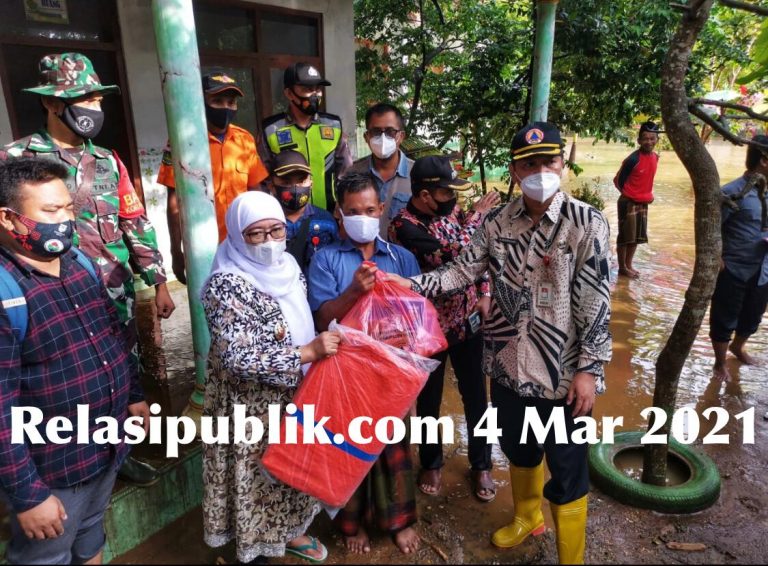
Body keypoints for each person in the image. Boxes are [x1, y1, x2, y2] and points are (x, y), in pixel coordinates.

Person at [391, 123, 612, 565]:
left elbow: (596, 301)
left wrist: (589, 369)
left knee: (568, 469)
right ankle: (528, 517)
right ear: (515, 170)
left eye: (549, 161)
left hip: (563, 374)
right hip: (509, 366)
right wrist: (407, 285)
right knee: (519, 448)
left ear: (562, 165)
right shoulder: (496, 222)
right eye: (530, 164)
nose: (541, 171)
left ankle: (571, 559)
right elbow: (461, 271)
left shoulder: (586, 223)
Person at [0, 52, 172, 487]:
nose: (93, 108)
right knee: (58, 380)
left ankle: (119, 455)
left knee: (121, 371)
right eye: (83, 99)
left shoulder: (109, 161)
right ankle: (45, 469)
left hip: (111, 292)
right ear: (51, 103)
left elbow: (134, 222)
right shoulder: (16, 158)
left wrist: (157, 280)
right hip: (46, 294)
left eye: (97, 100)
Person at [0, 158, 150, 565]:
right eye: (50, 211)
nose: (65, 221)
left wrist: (133, 394)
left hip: (105, 446)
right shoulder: (6, 292)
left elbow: (112, 334)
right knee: (46, 556)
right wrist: (29, 495)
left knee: (90, 535)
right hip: (53, 469)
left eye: (68, 208)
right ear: (9, 219)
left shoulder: (79, 263)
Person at [201, 190, 339, 564]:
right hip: (250, 406)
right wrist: (306, 354)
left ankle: (290, 532)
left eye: (276, 230)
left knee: (293, 469)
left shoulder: (290, 267)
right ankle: (254, 551)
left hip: (294, 392)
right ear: (236, 235)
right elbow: (236, 358)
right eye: (255, 233)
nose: (268, 242)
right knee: (256, 479)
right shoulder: (226, 283)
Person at [307, 172, 422, 555]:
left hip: (393, 369)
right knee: (349, 448)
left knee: (393, 448)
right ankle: (352, 523)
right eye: (353, 211)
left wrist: (413, 376)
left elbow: (417, 321)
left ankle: (399, 521)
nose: (363, 217)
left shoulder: (402, 258)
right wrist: (354, 291)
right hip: (345, 372)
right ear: (339, 213)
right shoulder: (326, 260)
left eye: (370, 210)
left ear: (382, 209)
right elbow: (322, 319)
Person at [388, 155, 499, 501]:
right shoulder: (403, 226)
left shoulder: (452, 213)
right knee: (429, 400)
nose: (453, 198)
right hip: (428, 330)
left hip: (468, 323)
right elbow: (453, 255)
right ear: (424, 195)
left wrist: (485, 292)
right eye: (446, 192)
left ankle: (482, 464)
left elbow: (478, 260)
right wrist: (478, 217)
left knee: (477, 397)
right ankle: (431, 462)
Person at [158, 69, 270, 283]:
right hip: (204, 250)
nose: (226, 108)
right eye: (217, 101)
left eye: (231, 102)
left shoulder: (244, 139)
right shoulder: (182, 142)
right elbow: (174, 204)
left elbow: (256, 192)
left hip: (244, 244)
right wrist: (176, 251)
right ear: (200, 102)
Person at [710, 135, 768, 382]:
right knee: (724, 317)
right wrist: (717, 259)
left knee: (753, 316)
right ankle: (720, 363)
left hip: (763, 268)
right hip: (733, 267)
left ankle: (738, 347)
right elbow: (711, 229)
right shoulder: (731, 193)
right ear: (764, 160)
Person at [263, 62, 353, 213]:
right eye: (307, 89)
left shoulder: (333, 125)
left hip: (330, 213)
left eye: (318, 89)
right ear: (289, 93)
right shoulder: (271, 129)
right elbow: (263, 179)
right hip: (286, 215)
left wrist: (344, 204)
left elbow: (346, 172)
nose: (315, 94)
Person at [347, 102, 413, 237]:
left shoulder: (417, 174)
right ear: (366, 137)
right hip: (361, 250)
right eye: (376, 132)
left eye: (390, 132)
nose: (383, 138)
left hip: (403, 251)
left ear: (401, 136)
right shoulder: (352, 173)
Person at [270, 150, 338, 272]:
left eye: (302, 181)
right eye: (286, 182)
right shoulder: (265, 224)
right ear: (272, 186)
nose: (296, 187)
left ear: (311, 184)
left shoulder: (326, 221)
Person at [614, 120, 660, 278]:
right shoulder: (633, 159)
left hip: (643, 202)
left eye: (652, 138)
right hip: (628, 202)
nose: (649, 142)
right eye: (645, 138)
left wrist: (646, 196)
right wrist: (631, 195)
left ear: (657, 140)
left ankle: (629, 265)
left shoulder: (656, 157)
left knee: (635, 237)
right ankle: (622, 267)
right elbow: (618, 181)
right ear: (639, 140)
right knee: (625, 237)